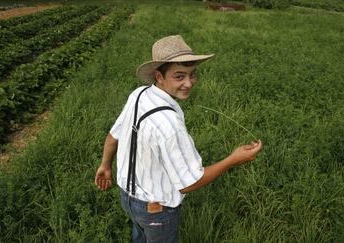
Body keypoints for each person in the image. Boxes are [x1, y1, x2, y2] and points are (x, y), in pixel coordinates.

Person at [95, 35, 263, 243]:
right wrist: (233, 159)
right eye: (179, 76)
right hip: (156, 211)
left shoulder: (138, 94)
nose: (189, 83)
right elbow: (189, 183)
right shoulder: (169, 124)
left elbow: (113, 136)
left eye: (192, 75)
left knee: (139, 236)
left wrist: (105, 165)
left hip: (127, 198)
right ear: (159, 76)